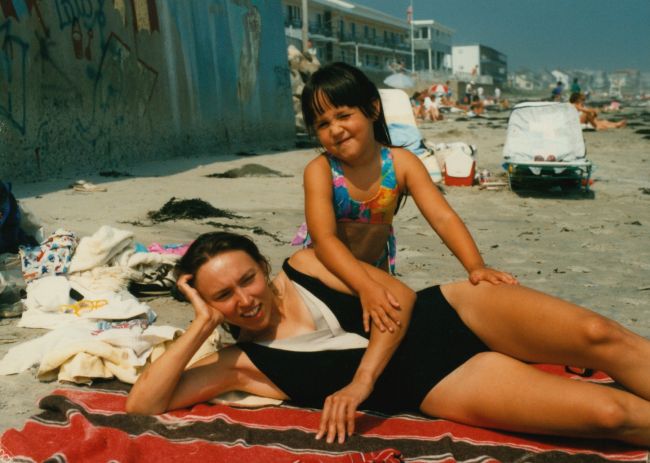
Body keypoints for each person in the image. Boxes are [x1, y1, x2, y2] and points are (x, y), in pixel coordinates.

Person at [127, 231, 650, 448]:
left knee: (600, 335)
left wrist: (360, 383)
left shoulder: (307, 265)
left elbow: (398, 300)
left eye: (248, 279)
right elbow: (142, 407)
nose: (243, 299)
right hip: (440, 380)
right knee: (608, 416)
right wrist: (201, 325)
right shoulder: (241, 362)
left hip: (453, 314)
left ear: (264, 267)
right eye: (222, 297)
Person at [295, 62, 515, 334]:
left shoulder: (400, 163)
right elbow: (325, 241)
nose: (335, 129)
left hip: (374, 275)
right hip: (324, 277)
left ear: (373, 109)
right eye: (323, 124)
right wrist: (365, 287)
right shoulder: (320, 170)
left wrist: (476, 266)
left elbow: (442, 217)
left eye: (343, 115)